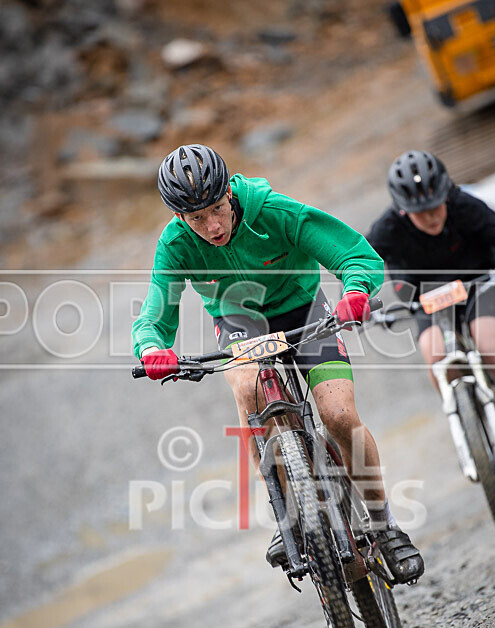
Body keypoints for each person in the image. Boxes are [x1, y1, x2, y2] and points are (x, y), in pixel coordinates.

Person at [132, 143, 424, 583]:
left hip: (303, 309)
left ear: (229, 193)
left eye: (216, 210)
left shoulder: (273, 210)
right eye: (196, 219)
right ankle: (285, 512)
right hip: (239, 321)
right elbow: (155, 315)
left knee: (338, 414)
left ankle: (385, 527)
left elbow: (354, 254)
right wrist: (151, 348)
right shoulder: (174, 246)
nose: (211, 227)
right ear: (178, 218)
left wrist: (356, 291)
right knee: (246, 388)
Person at [366, 149, 495, 482]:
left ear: (447, 193)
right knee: (436, 356)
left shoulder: (464, 206)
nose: (430, 217)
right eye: (419, 212)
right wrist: (362, 299)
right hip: (427, 296)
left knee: (489, 345)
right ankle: (467, 425)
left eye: (435, 205)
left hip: (479, 282)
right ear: (402, 210)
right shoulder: (388, 227)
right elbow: (360, 262)